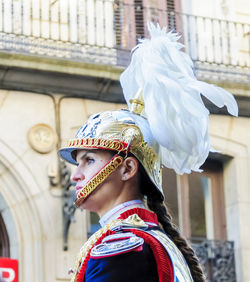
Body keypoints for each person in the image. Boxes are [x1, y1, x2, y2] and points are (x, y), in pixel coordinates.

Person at [59, 23, 238, 282]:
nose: (76, 175)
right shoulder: (144, 238)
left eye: (89, 160)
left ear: (127, 168)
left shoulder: (121, 249)